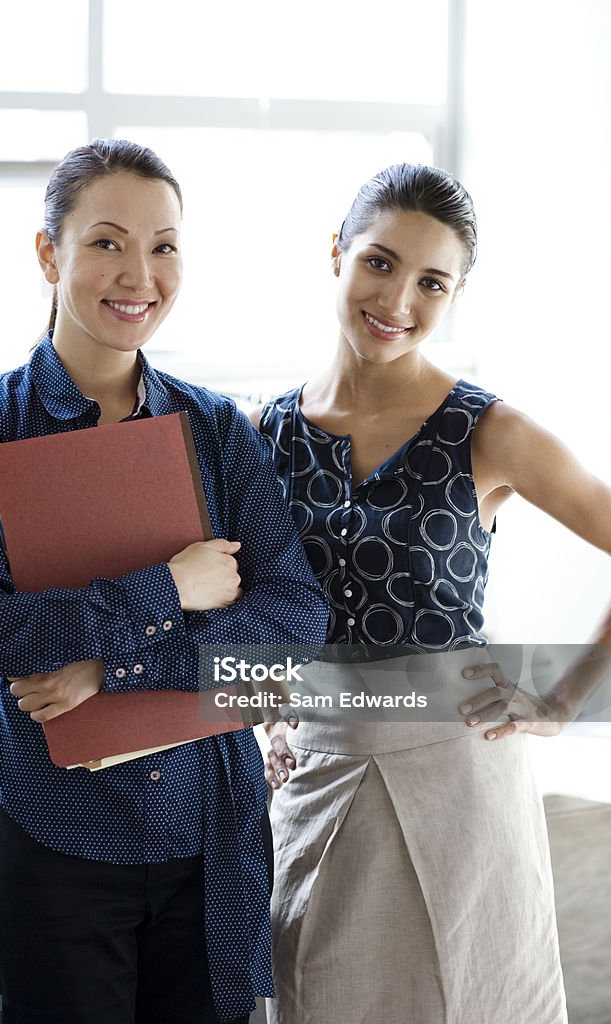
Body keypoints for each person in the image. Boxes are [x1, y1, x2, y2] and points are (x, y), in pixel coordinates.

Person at [0, 138, 328, 1024]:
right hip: (54, 837)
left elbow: (295, 621)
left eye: (163, 245)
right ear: (49, 254)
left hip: (210, 835)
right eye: (106, 241)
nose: (138, 273)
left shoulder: (217, 428)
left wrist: (110, 669)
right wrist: (170, 587)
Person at [253, 163, 611, 1024]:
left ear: (455, 294)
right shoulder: (264, 429)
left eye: (431, 282)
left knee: (472, 996)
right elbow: (253, 597)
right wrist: (263, 710)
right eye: (378, 263)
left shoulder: (490, 430)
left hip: (459, 776)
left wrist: (562, 701)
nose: (398, 299)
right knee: (317, 994)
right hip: (319, 769)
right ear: (335, 253)